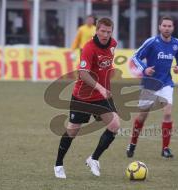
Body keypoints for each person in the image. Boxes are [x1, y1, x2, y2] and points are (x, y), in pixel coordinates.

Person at [54, 17, 120, 178]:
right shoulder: (89, 48)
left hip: (102, 95)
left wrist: (105, 88)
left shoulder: (113, 44)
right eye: (103, 31)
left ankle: (93, 159)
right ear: (96, 30)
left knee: (114, 125)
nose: (105, 34)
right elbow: (82, 74)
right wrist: (100, 87)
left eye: (109, 32)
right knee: (72, 131)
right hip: (83, 96)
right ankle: (58, 165)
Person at [126, 16, 178, 158]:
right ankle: (132, 143)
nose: (167, 28)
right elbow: (135, 57)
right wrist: (145, 69)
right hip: (149, 83)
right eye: (164, 25)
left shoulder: (177, 44)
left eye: (169, 26)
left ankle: (165, 149)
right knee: (142, 116)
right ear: (159, 27)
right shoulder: (152, 42)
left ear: (173, 28)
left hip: (166, 82)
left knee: (168, 112)